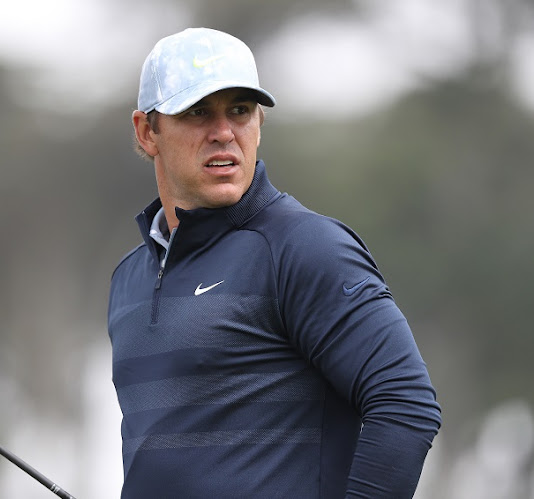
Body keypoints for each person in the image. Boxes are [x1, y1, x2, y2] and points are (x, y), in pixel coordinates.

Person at [107, 27, 441, 498]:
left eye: (240, 111)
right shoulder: (128, 278)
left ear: (259, 124)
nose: (223, 132)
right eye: (197, 111)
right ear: (148, 131)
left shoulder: (305, 248)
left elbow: (405, 404)